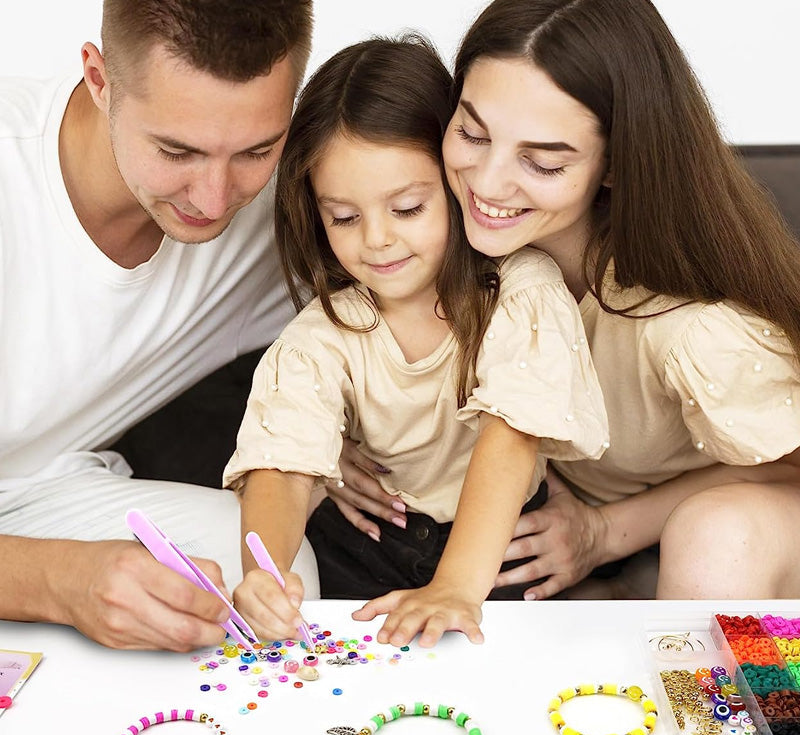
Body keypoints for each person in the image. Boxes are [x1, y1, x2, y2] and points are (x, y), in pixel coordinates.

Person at [329, 0, 800, 602]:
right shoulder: (433, 229)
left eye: (542, 161)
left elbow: (786, 466)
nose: (487, 182)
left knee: (714, 537)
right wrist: (331, 441)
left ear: (613, 165)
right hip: (559, 534)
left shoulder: (692, 329)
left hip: (729, 526)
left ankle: (736, 701)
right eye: (472, 132)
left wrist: (605, 533)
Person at [224, 34, 608, 649]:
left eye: (406, 208)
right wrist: (264, 574)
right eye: (344, 217)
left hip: (498, 547)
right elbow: (283, 465)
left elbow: (510, 440)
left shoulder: (520, 292)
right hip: (366, 547)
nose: (376, 239)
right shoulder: (323, 335)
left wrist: (457, 585)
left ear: (457, 186)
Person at [0, 0, 319, 652]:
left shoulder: (297, 202)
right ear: (99, 78)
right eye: (177, 150)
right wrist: (51, 581)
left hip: (43, 491)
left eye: (257, 149)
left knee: (264, 579)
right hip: (37, 536)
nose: (213, 198)